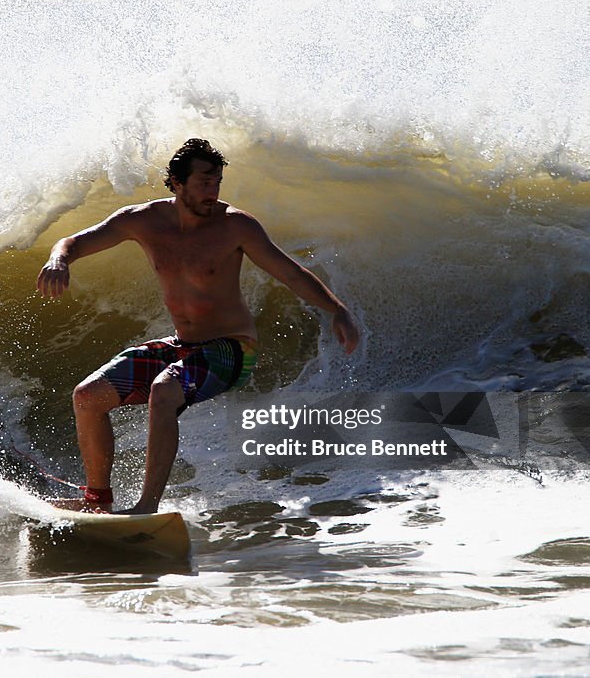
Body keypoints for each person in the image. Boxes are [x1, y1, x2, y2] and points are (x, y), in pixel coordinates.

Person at [36, 139, 359, 514]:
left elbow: (290, 272)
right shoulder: (143, 221)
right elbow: (73, 242)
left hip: (232, 349)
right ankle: (98, 501)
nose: (213, 191)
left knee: (165, 388)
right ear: (176, 182)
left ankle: (146, 507)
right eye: (204, 181)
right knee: (87, 396)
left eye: (217, 182)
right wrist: (59, 260)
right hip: (183, 344)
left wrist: (337, 310)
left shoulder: (236, 226)